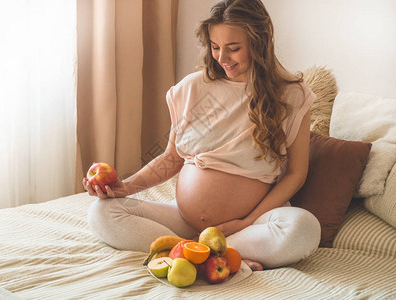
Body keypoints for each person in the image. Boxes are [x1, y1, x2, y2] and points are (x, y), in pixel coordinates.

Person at [83, 0, 320, 270]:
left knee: (304, 228)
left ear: (260, 42)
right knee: (102, 212)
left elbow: (296, 173)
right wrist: (125, 187)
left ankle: (206, 251)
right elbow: (172, 159)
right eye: (215, 47)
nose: (222, 57)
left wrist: (246, 222)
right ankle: (208, 254)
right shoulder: (192, 88)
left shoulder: (291, 96)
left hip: (248, 224)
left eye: (233, 48)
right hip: (184, 221)